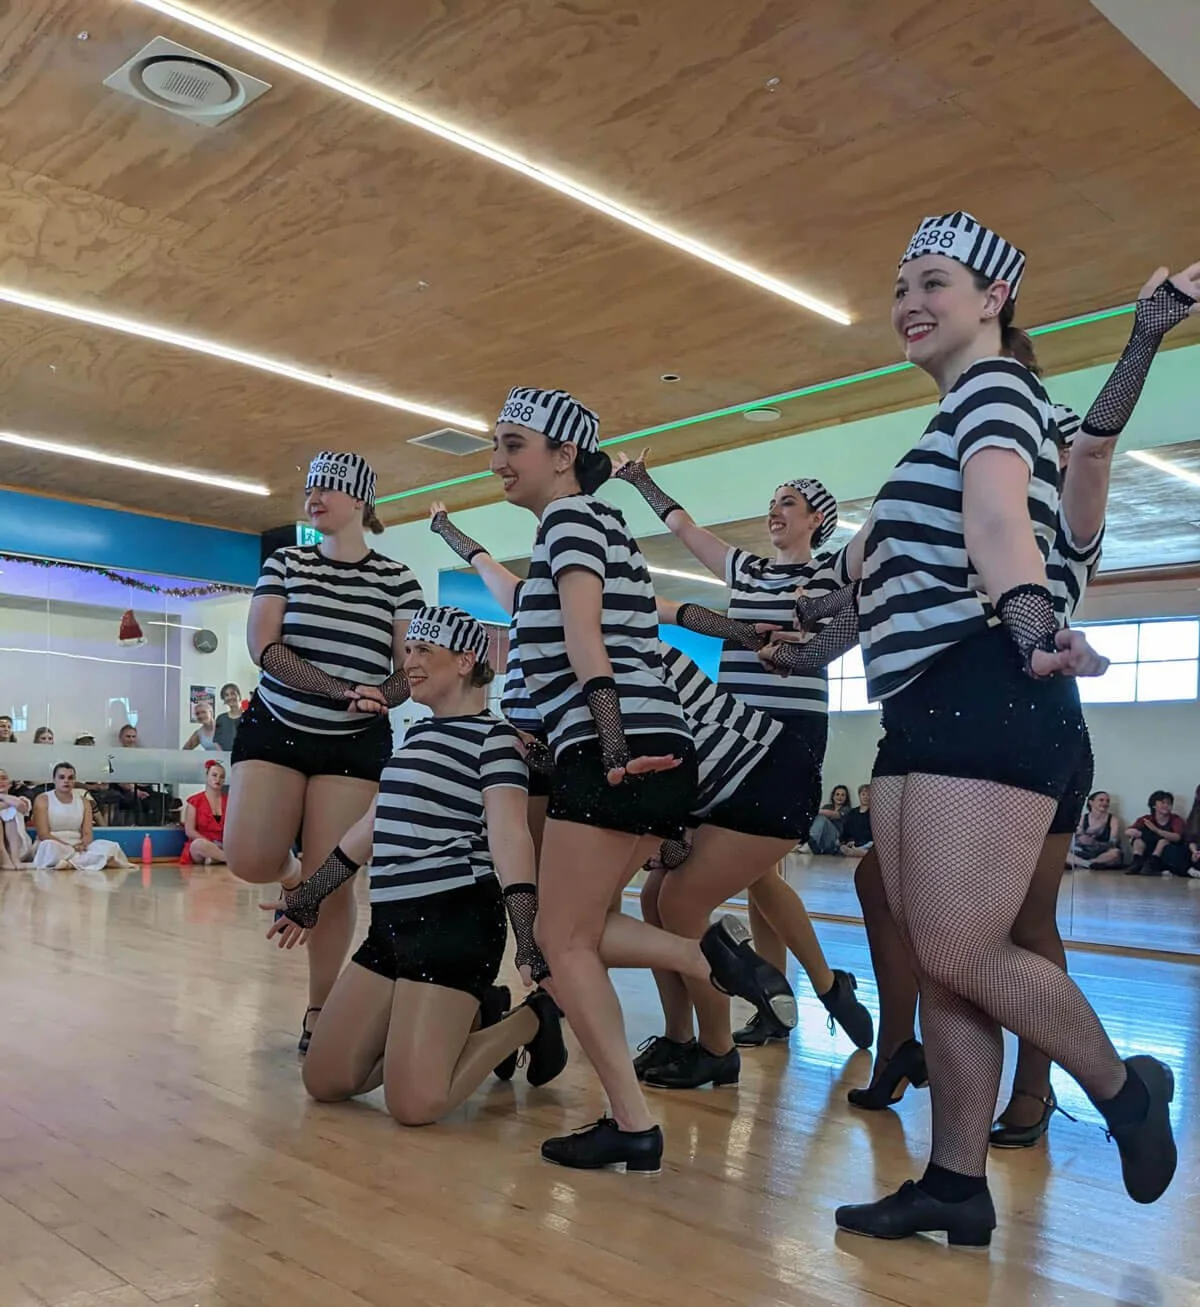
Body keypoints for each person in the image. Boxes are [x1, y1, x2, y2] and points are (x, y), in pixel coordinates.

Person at [832, 211, 1175, 1247]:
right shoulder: (967, 423)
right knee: (946, 960)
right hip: (930, 699)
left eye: (934, 280)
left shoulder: (996, 392)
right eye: (900, 284)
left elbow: (1002, 517)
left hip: (991, 685)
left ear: (992, 303)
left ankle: (1126, 1089)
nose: (909, 300)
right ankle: (955, 1180)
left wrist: (1030, 620)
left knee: (957, 943)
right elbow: (1009, 499)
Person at [428, 504, 864, 1091]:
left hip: (763, 775)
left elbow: (679, 612)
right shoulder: (583, 626)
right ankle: (689, 1036)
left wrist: (744, 633)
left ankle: (718, 1043)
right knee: (659, 900)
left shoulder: (607, 655)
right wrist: (451, 532)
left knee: (676, 905)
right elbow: (499, 574)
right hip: (726, 774)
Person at [495, 386, 793, 1173]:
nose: (498, 460)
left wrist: (609, 737)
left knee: (560, 943)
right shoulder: (603, 526)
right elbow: (661, 614)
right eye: (495, 444)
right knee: (579, 931)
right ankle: (706, 955)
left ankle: (633, 1116)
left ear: (564, 456)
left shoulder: (568, 520)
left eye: (513, 445)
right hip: (655, 744)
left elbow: (586, 634)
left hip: (618, 745)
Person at [267, 607, 569, 1124]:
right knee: (325, 1080)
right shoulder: (414, 738)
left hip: (455, 922)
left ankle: (532, 1022)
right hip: (390, 925)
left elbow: (510, 835)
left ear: (465, 660)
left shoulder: (498, 740)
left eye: (424, 651)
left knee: (415, 1104)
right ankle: (470, 1015)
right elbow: (367, 832)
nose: (409, 662)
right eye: (408, 651)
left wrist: (527, 938)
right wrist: (308, 897)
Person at [613, 453, 866, 1049]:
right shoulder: (747, 571)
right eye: (773, 502)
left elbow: (843, 634)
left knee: (755, 872)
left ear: (816, 522)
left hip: (790, 736)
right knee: (757, 876)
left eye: (788, 503)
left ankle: (808, 991)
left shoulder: (830, 578)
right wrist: (641, 480)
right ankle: (803, 993)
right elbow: (684, 527)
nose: (774, 512)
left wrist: (803, 643)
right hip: (731, 732)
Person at [225, 452, 424, 1054]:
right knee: (250, 857)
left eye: (329, 489)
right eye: (310, 487)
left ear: (360, 500)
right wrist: (339, 689)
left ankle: (319, 1010)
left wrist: (382, 695)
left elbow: (408, 666)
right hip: (277, 726)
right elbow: (266, 647)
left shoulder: (397, 578)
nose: (314, 498)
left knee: (332, 883)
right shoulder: (286, 562)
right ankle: (292, 881)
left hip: (354, 744)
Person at [31, 762, 132, 871]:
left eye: (70, 778)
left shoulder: (84, 802)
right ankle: (84, 862)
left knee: (111, 847)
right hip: (55, 845)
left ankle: (70, 863)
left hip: (78, 847)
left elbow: (87, 833)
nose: (66, 781)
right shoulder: (43, 800)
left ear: (74, 780)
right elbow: (43, 834)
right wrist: (68, 847)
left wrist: (83, 845)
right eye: (61, 777)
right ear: (54, 780)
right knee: (48, 847)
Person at [1126, 792, 1188, 877]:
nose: (1166, 805)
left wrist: (1157, 831)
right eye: (1163, 803)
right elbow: (1128, 831)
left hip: (1165, 854)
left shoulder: (1175, 819)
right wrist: (1137, 833)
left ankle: (1152, 864)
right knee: (1138, 840)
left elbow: (1177, 837)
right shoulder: (1147, 819)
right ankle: (1137, 863)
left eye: (1169, 803)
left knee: (1163, 841)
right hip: (1148, 849)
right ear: (1154, 805)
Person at [182, 760, 227, 864]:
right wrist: (211, 844)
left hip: (225, 844)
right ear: (207, 777)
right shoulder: (194, 801)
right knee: (197, 845)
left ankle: (214, 858)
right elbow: (189, 831)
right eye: (214, 775)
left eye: (222, 777)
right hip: (204, 844)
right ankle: (229, 860)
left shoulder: (230, 801)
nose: (218, 779)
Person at [1069, 791, 1125, 869]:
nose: (1105, 803)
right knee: (1064, 854)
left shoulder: (1113, 820)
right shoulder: (1083, 818)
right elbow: (1076, 837)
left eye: (1107, 801)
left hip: (1103, 852)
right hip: (1084, 851)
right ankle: (1089, 864)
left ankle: (1088, 863)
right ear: (1091, 802)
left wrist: (1095, 843)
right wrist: (1081, 839)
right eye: (1101, 800)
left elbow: (1113, 842)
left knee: (1115, 853)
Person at [0, 768, 33, 868]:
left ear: (10, 784)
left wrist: (1, 796)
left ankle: (15, 859)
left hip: (19, 849)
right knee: (12, 808)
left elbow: (19, 804)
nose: (0, 781)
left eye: (3, 778)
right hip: (2, 852)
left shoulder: (21, 798)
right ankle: (3, 855)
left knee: (13, 810)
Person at [808, 784, 851, 855]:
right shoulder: (827, 806)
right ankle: (811, 844)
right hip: (823, 838)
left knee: (822, 818)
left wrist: (815, 810)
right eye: (837, 794)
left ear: (846, 798)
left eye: (843, 795)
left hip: (836, 838)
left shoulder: (847, 809)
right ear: (833, 796)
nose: (840, 797)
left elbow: (835, 815)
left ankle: (810, 844)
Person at [841, 785, 873, 855]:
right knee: (842, 847)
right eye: (863, 794)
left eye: (868, 794)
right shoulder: (852, 813)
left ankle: (859, 851)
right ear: (859, 795)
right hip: (854, 843)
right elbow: (846, 831)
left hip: (868, 843)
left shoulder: (874, 813)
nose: (866, 797)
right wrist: (849, 841)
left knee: (871, 844)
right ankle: (857, 851)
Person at [214, 683, 244, 752]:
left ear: (239, 695)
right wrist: (223, 756)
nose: (230, 697)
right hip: (226, 758)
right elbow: (216, 741)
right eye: (226, 695)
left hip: (245, 759)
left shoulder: (248, 717)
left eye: (233, 693)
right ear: (224, 699)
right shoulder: (220, 719)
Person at [1184, 786, 1200, 880]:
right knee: (1170, 850)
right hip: (1196, 850)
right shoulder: (1195, 815)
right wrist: (1195, 852)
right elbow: (1190, 838)